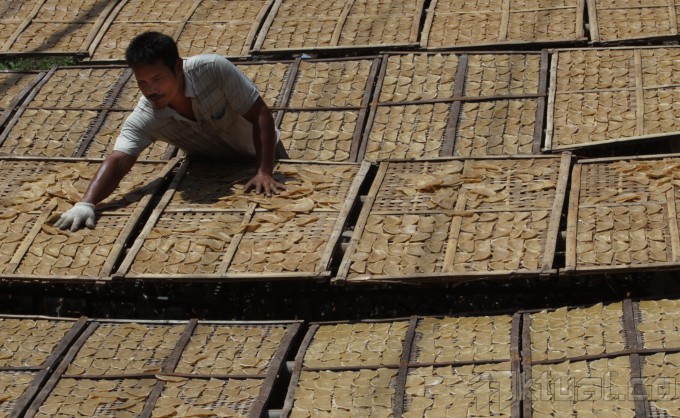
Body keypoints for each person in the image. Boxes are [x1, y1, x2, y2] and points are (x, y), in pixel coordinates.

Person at [55, 31, 285, 231]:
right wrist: (86, 203)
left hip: (264, 155)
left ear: (177, 67)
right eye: (142, 82)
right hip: (211, 170)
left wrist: (264, 170)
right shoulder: (147, 115)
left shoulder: (213, 70)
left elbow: (260, 115)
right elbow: (119, 160)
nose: (151, 90)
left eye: (157, 78)